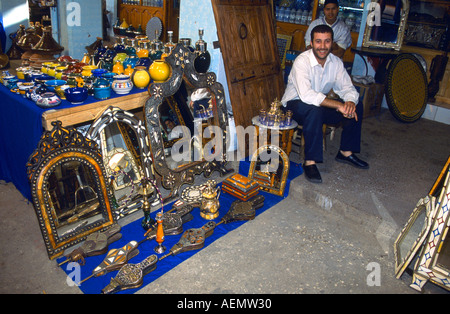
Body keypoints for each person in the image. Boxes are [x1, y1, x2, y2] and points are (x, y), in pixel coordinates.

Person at [281, 24, 369, 183]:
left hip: (319, 105)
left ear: (332, 42)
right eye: (318, 41)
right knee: (314, 110)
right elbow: (307, 96)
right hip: (294, 105)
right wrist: (338, 105)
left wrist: (348, 102)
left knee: (357, 105)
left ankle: (345, 152)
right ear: (312, 43)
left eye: (327, 41)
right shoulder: (302, 61)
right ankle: (310, 162)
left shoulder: (335, 62)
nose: (322, 46)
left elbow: (348, 87)